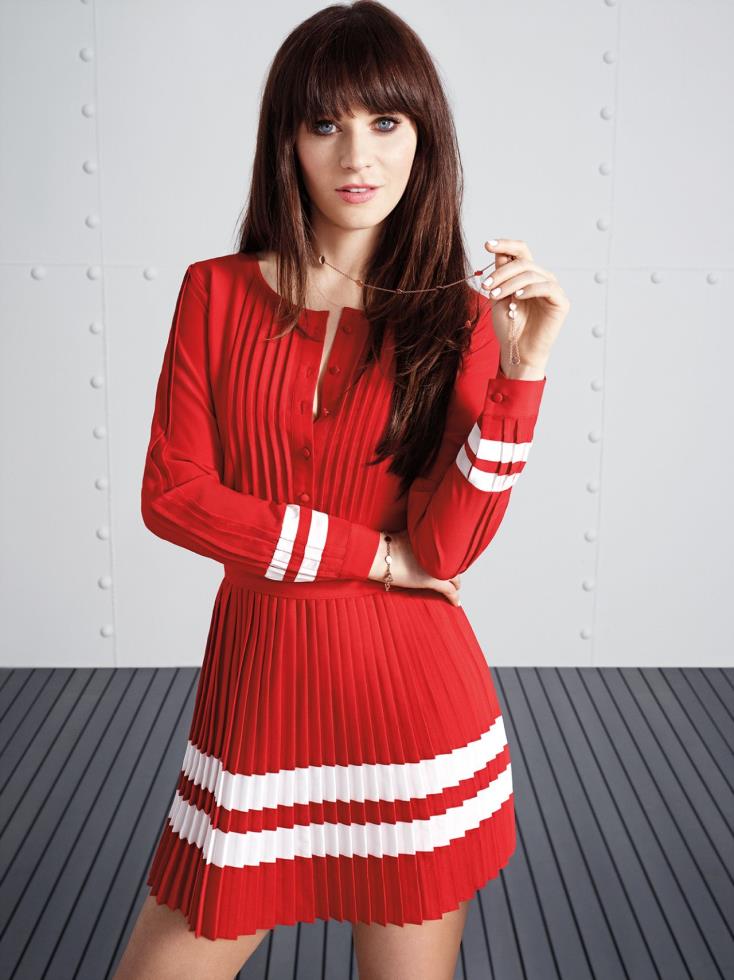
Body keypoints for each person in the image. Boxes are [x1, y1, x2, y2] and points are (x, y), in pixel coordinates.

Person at [114, 2, 569, 978]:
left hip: (409, 705)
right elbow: (173, 495)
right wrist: (370, 556)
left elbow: (444, 551)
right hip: (259, 699)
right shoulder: (214, 292)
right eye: (325, 123)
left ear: (422, 137)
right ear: (287, 140)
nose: (356, 155)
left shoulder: (460, 317)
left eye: (384, 122)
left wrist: (522, 372)